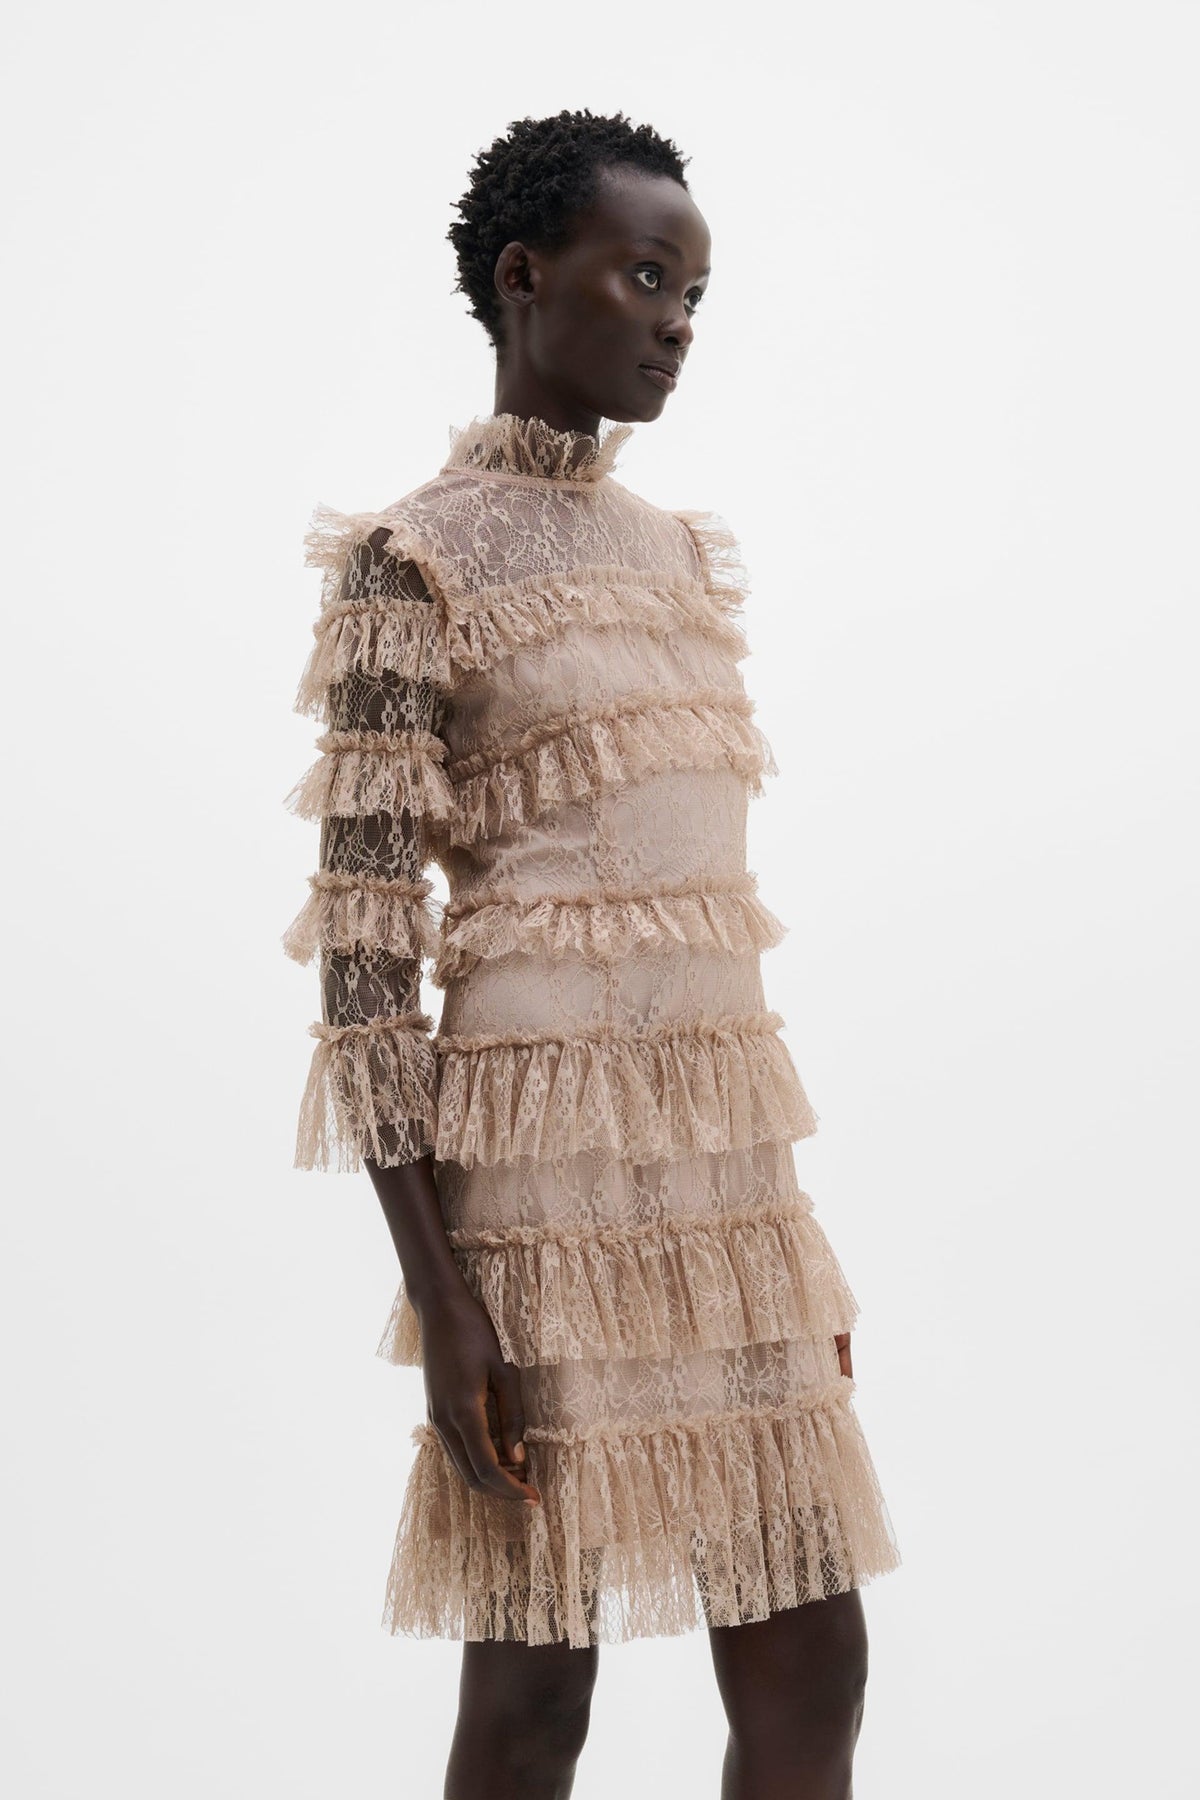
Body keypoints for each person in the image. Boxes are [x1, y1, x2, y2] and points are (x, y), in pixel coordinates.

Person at [283, 108, 901, 1800]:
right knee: (537, 1685)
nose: (677, 324)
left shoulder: (678, 556)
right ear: (521, 275)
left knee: (816, 1663)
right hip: (538, 1199)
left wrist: (790, 1254)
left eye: (694, 295)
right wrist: (442, 1299)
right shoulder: (412, 560)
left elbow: (709, 922)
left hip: (726, 1194)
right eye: (644, 279)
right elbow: (362, 965)